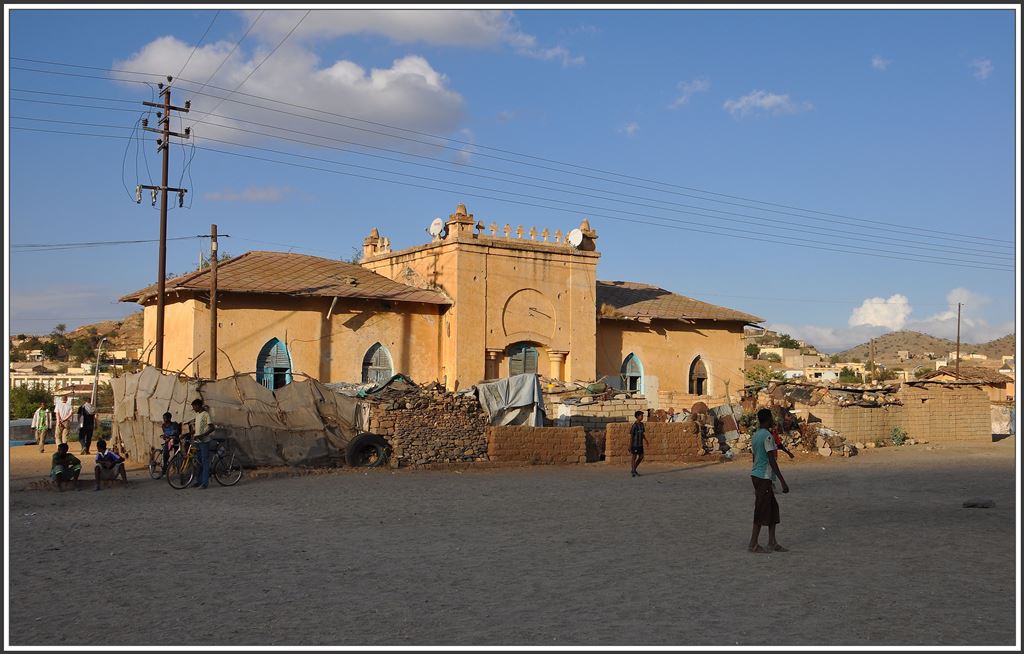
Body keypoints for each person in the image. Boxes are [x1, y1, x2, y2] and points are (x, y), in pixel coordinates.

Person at [748, 408, 789, 553]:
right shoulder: (768, 436)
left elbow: (754, 457)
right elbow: (771, 460)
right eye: (771, 418)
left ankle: (772, 542)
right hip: (763, 477)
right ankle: (753, 544)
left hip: (758, 476)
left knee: (772, 509)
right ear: (767, 419)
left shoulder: (756, 435)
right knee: (761, 510)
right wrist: (782, 481)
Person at [187, 399, 214, 489]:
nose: (193, 409)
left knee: (205, 462)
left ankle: (205, 483)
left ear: (198, 406)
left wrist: (202, 435)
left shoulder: (206, 414)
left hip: (204, 441)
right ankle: (199, 481)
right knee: (199, 462)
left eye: (194, 407)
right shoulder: (197, 415)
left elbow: (212, 428)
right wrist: (187, 434)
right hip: (198, 442)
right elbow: (197, 429)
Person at [158, 411, 182, 477]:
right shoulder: (163, 426)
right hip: (168, 441)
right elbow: (165, 434)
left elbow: (178, 432)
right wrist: (166, 437)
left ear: (170, 418)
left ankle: (178, 469)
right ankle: (164, 469)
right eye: (163, 418)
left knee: (177, 454)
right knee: (166, 454)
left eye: (165, 418)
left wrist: (172, 436)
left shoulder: (175, 424)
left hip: (175, 440)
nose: (164, 420)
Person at [629, 410, 649, 477]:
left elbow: (642, 433)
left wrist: (646, 440)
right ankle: (633, 471)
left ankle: (634, 469)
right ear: (637, 417)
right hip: (635, 444)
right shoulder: (634, 426)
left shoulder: (642, 425)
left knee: (641, 456)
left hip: (640, 444)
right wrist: (630, 445)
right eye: (641, 416)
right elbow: (631, 436)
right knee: (634, 457)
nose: (642, 417)